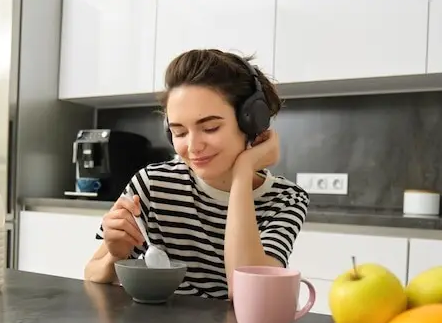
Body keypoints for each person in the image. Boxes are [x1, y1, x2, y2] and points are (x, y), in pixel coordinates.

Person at [84, 49, 310, 300]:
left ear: (252, 122)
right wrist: (116, 255)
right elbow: (92, 273)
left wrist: (243, 172)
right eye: (179, 133)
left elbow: (249, 294)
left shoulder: (285, 199)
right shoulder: (153, 184)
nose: (193, 147)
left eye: (210, 128)